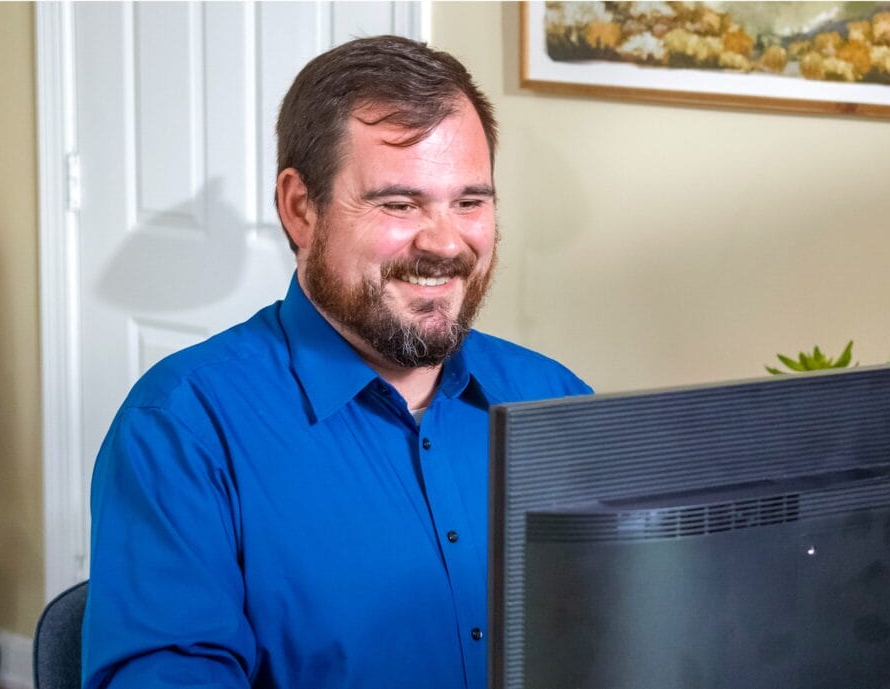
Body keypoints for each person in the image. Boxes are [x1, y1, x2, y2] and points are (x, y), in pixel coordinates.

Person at [81, 36, 591, 689]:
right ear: (301, 209)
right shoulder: (181, 429)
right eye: (399, 204)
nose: (446, 242)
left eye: (470, 201)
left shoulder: (557, 399)